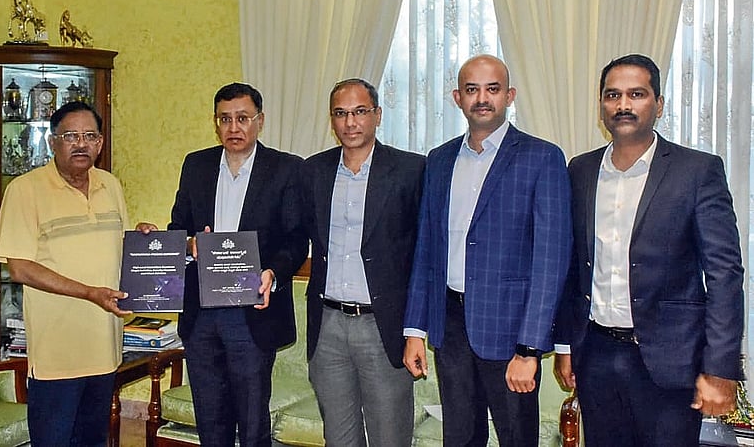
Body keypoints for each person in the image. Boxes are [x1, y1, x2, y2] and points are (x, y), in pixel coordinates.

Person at [553, 53, 744, 447]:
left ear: (658, 104)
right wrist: (566, 345)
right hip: (597, 355)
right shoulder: (581, 170)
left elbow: (724, 273)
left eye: (636, 94)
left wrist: (720, 368)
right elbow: (572, 266)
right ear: (601, 105)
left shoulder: (697, 171)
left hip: (671, 361)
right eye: (613, 95)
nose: (623, 105)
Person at [402, 54, 572, 446]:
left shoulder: (541, 158)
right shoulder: (439, 160)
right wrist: (415, 329)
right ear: (457, 97)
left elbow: (551, 260)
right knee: (459, 437)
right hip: (451, 325)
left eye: (492, 89)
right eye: (471, 89)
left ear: (509, 95)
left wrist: (529, 349)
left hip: (510, 332)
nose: (482, 98)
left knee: (516, 437)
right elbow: (427, 249)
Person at [167, 82, 308, 447]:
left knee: (251, 421)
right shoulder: (196, 165)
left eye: (243, 118)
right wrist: (187, 243)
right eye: (225, 119)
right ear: (215, 123)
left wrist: (274, 274)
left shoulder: (286, 169)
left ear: (260, 121)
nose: (234, 127)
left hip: (253, 312)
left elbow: (295, 239)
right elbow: (177, 227)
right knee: (210, 419)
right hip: (201, 312)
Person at [0, 101, 131, 445]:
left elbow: (123, 251)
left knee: (93, 441)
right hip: (57, 354)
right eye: (70, 136)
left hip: (104, 347)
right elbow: (21, 268)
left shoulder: (110, 185)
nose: (81, 144)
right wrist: (88, 292)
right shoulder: (24, 190)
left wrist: (149, 239)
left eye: (90, 136)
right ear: (52, 142)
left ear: (100, 144)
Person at [300, 78, 425, 446]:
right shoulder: (313, 172)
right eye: (341, 113)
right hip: (327, 326)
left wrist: (416, 329)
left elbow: (424, 255)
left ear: (377, 115)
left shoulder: (410, 170)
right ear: (332, 120)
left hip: (382, 326)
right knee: (338, 438)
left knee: (390, 437)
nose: (350, 122)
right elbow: (291, 234)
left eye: (359, 112)